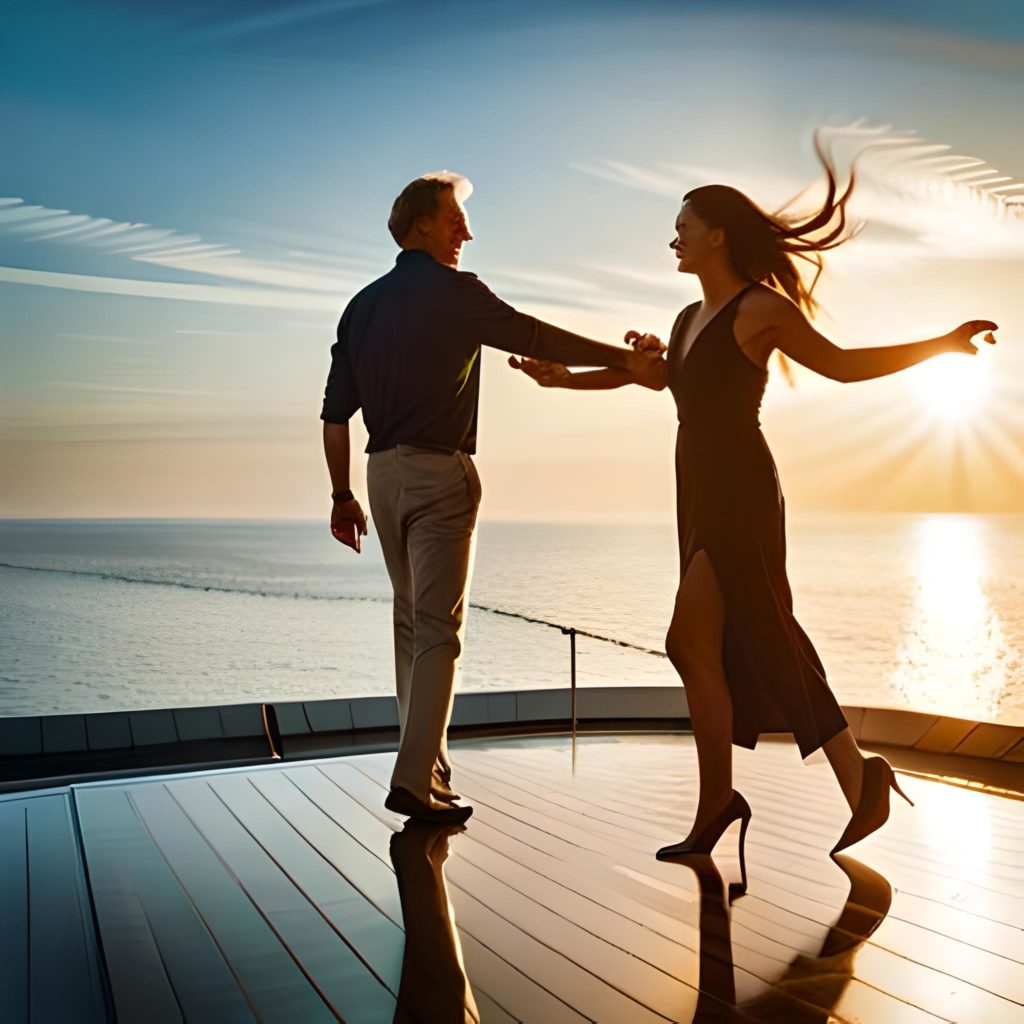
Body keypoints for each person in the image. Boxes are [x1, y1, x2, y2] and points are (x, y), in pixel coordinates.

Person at [512, 138, 997, 867]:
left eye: (683, 225)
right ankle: (809, 786)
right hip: (697, 484)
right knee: (719, 642)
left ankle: (753, 796)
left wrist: (941, 345)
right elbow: (649, 379)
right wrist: (563, 380)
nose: (672, 237)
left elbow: (840, 365)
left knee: (730, 636)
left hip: (741, 484)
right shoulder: (686, 317)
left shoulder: (758, 310)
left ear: (718, 235)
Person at [321, 170, 660, 825]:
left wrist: (341, 496)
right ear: (421, 223)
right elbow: (532, 335)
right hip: (441, 474)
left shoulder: (361, 305)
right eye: (456, 221)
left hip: (379, 475)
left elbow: (335, 412)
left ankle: (429, 770)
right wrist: (626, 364)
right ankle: (416, 778)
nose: (466, 234)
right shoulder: (455, 293)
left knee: (409, 625)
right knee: (439, 630)